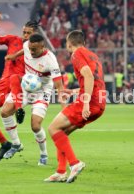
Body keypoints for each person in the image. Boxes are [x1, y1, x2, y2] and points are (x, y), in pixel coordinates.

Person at [44, 30, 106, 183]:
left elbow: (89, 76)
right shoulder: (93, 56)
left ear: (68, 43)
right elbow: (95, 81)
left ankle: (75, 163)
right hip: (99, 102)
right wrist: (73, 91)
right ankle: (60, 171)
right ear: (83, 42)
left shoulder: (76, 54)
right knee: (62, 133)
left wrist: (85, 103)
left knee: (53, 128)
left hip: (90, 102)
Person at [0, 12, 38, 161]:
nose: (25, 35)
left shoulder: (37, 49)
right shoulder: (12, 39)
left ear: (34, 34)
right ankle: (5, 143)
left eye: (28, 33)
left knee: (6, 112)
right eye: (24, 32)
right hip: (3, 83)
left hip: (20, 85)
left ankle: (18, 142)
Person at [2, 33, 64, 165]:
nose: (30, 51)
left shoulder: (50, 60)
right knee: (5, 112)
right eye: (30, 48)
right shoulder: (27, 46)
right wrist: (13, 56)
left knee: (35, 126)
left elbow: (59, 84)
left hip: (42, 91)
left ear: (42, 47)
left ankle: (43, 154)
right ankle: (16, 144)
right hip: (26, 87)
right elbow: (23, 50)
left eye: (34, 49)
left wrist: (63, 107)